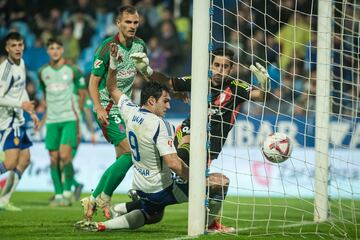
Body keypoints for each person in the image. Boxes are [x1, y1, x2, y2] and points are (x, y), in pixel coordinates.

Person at [75, 43, 231, 232]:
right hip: (161, 190)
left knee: (153, 215)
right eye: (165, 101)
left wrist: (114, 65)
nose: (168, 106)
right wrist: (197, 179)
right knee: (219, 183)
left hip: (141, 187)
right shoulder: (161, 125)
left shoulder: (129, 110)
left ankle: (102, 225)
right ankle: (211, 225)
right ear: (151, 101)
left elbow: (111, 87)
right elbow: (173, 163)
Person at [123, 47, 269, 232]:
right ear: (210, 65)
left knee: (165, 207)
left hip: (209, 149)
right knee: (191, 166)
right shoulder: (199, 81)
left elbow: (260, 95)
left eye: (225, 66)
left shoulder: (237, 87)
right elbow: (168, 82)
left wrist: (265, 85)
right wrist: (148, 71)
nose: (219, 70)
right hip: (187, 135)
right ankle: (149, 194)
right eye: (216, 65)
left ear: (231, 69)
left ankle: (138, 202)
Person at [82, 4, 156, 220]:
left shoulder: (140, 45)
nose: (132, 26)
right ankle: (98, 197)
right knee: (132, 153)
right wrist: (97, 108)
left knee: (122, 159)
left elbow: (144, 74)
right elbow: (93, 83)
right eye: (128, 22)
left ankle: (97, 200)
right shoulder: (107, 47)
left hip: (124, 107)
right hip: (107, 107)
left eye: (135, 22)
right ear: (118, 23)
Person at [38, 38, 87, 206]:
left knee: (65, 156)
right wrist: (43, 117)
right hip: (52, 120)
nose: (55, 51)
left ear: (62, 49)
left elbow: (82, 93)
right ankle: (58, 194)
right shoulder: (43, 72)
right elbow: (45, 95)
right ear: (47, 51)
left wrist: (78, 112)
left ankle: (67, 191)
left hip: (69, 119)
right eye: (51, 48)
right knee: (53, 159)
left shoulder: (72, 70)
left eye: (58, 47)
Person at [0, 32, 39, 211]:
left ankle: (4, 200)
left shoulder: (21, 63)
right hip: (8, 121)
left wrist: (30, 111)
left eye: (20, 45)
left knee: (25, 160)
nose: (18, 48)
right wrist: (20, 104)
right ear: (7, 48)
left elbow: (20, 89)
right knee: (10, 163)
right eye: (14, 46)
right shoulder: (5, 70)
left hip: (19, 120)